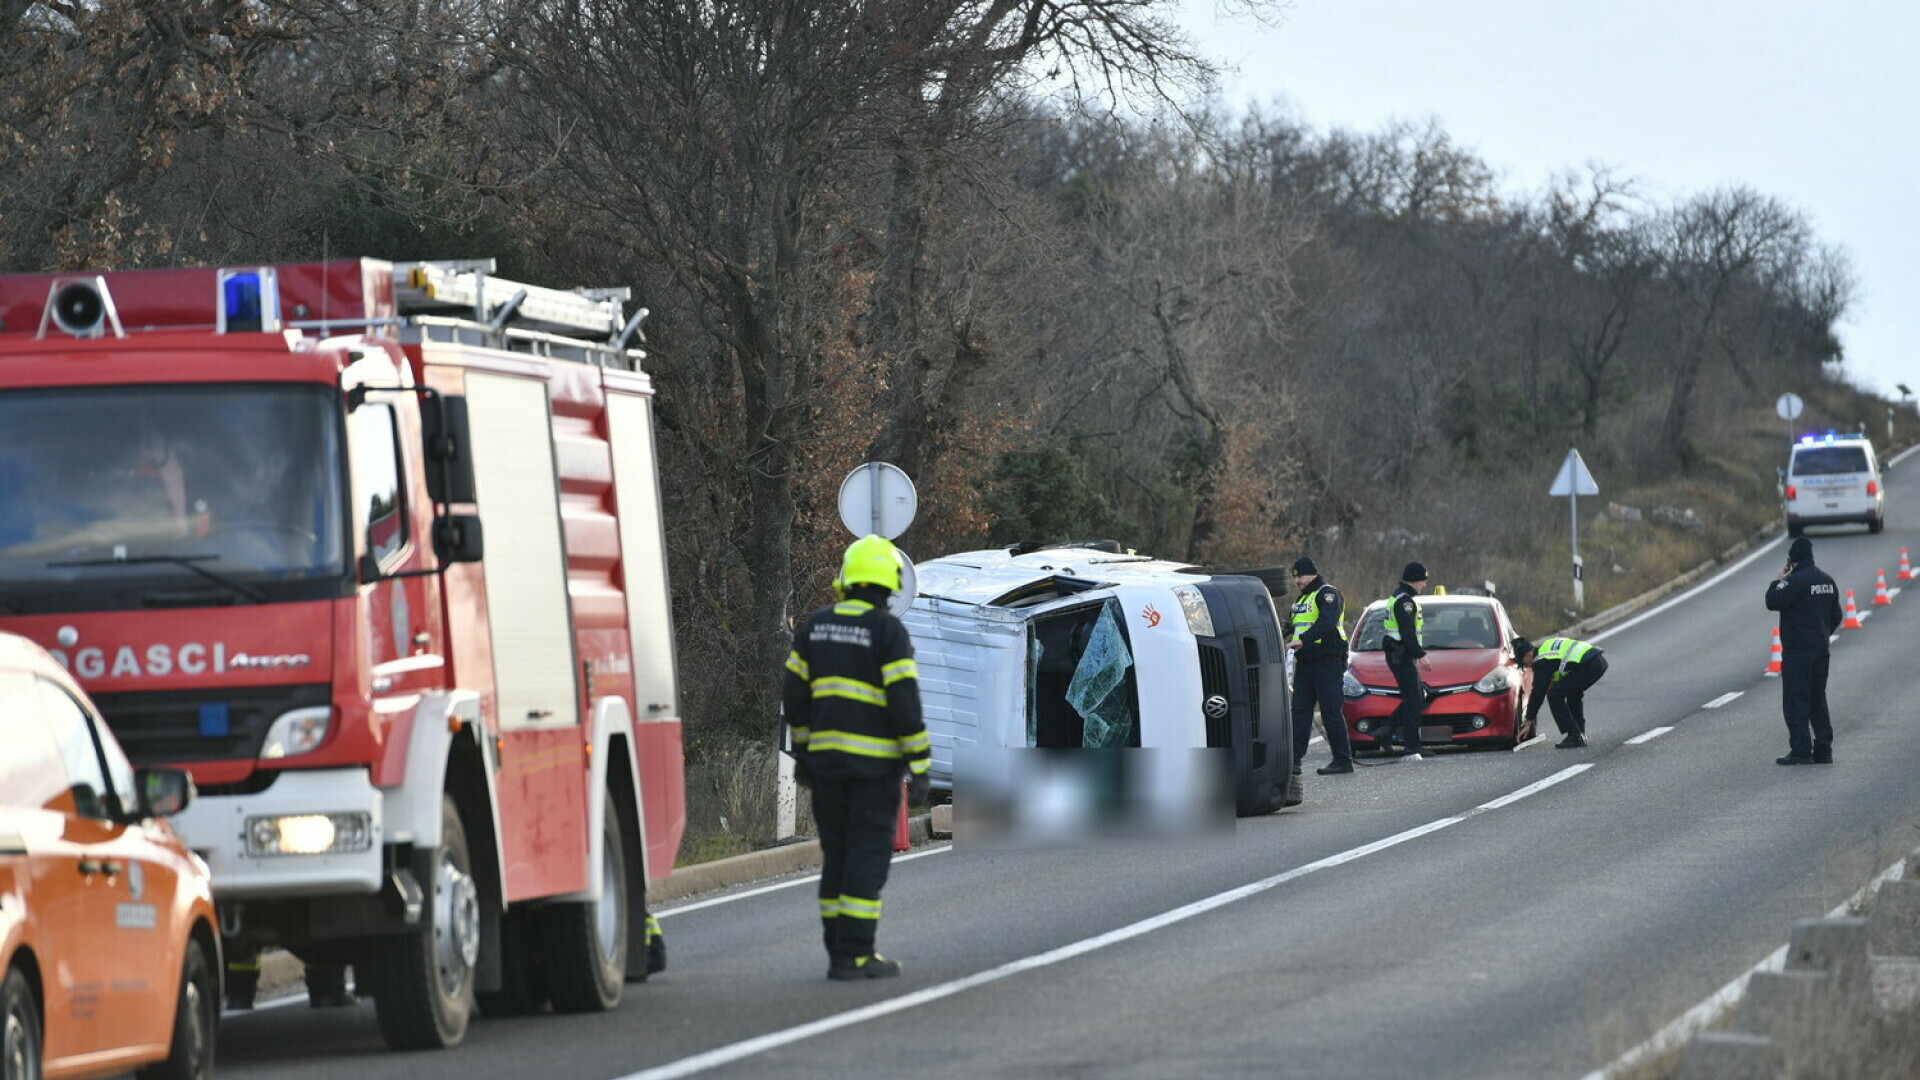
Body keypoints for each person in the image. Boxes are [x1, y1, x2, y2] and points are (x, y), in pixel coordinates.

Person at [783, 534, 930, 979]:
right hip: (873, 773)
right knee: (867, 859)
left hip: (826, 769)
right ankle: (857, 954)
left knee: (838, 856)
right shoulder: (888, 632)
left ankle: (837, 954)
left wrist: (805, 752)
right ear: (889, 584)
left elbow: (794, 696)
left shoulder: (815, 626)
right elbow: (904, 703)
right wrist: (920, 765)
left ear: (846, 580)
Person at [1764, 536, 1841, 765]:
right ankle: (1824, 749)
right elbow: (1836, 615)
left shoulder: (1795, 581)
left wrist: (1778, 579)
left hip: (1798, 650)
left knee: (1796, 699)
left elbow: (1771, 600)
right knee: (1818, 697)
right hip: (1820, 649)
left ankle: (1801, 750)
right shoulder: (1827, 581)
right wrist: (1821, 634)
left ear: (1792, 561)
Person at [1288, 556, 1353, 776]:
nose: (1297, 580)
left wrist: (1303, 639)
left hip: (1328, 661)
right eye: (1295, 577)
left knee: (1330, 712)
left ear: (1313, 573)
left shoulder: (1327, 594)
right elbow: (1291, 626)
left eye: (1301, 576)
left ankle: (1343, 760)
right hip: (1305, 663)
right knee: (1300, 712)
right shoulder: (1300, 600)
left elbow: (1326, 622)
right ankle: (1294, 760)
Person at [1510, 636, 1608, 748]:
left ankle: (1574, 735)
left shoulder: (1541, 661)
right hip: (1596, 661)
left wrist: (1529, 720)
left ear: (1527, 655)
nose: (1527, 667)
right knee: (1572, 694)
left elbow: (1538, 692)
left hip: (1588, 665)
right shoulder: (1546, 647)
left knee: (1554, 695)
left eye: (1524, 664)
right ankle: (1580, 733)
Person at [1381, 562, 1432, 762]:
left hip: (1399, 655)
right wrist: (1421, 655)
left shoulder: (1399, 597)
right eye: (1422, 581)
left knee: (1416, 697)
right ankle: (1411, 748)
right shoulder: (1405, 602)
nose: (1424, 585)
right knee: (1414, 700)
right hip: (1401, 655)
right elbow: (1407, 633)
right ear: (1415, 580)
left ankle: (1387, 731)